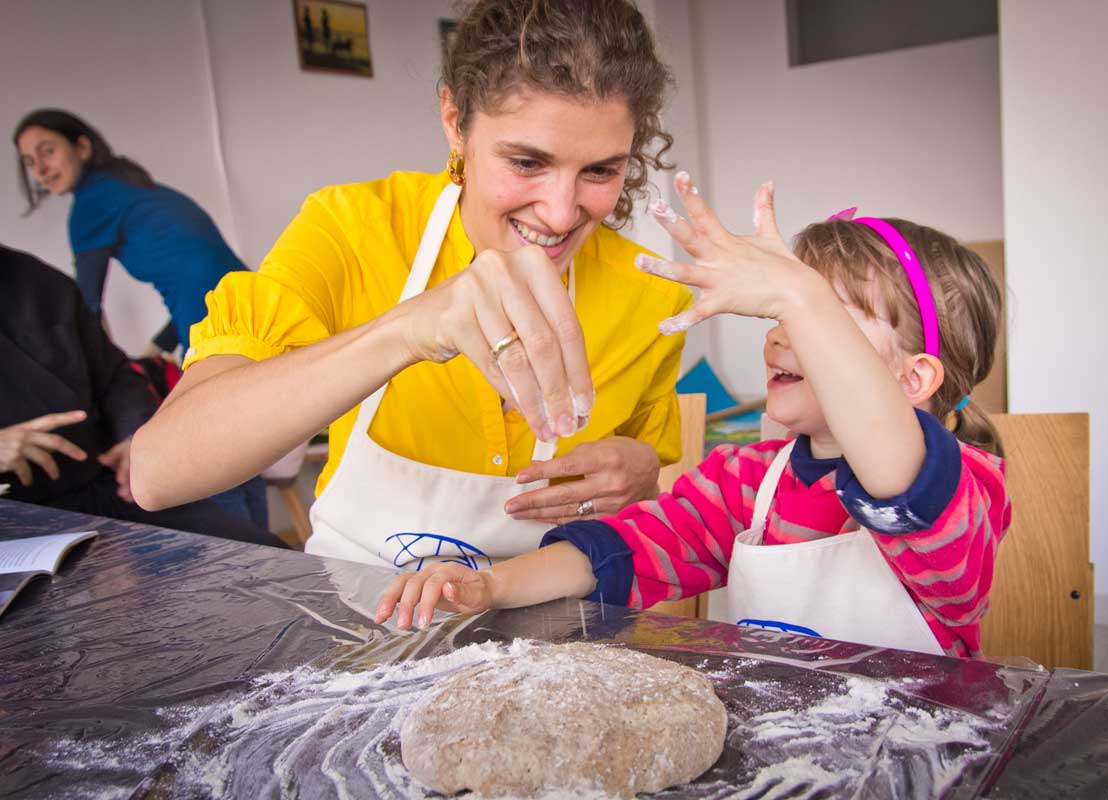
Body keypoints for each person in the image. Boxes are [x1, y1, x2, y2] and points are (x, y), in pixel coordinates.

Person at [130, 0, 693, 571]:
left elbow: (665, 508)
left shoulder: (651, 293)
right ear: (455, 120)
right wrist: (405, 330)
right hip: (353, 620)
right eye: (525, 162)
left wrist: (645, 474)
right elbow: (157, 474)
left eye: (600, 171)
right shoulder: (353, 230)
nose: (559, 213)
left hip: (553, 634)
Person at [374, 172, 1011, 659]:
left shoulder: (966, 489)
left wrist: (798, 290)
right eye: (783, 313)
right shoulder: (746, 480)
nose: (784, 334)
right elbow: (624, 549)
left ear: (914, 379)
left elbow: (899, 476)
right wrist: (490, 586)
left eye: (825, 318)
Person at [12, 109, 269, 527]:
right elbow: (208, 272)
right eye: (29, 161)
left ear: (82, 146)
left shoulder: (90, 206)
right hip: (246, 311)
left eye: (49, 151)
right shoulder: (135, 188)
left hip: (216, 322)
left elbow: (85, 311)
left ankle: (241, 564)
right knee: (245, 449)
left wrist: (106, 382)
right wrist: (160, 345)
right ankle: (262, 552)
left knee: (208, 457)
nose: (41, 168)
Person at [0, 245, 284, 549]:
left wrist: (132, 435)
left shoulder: (35, 280)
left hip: (103, 487)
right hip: (14, 518)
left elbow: (115, 376)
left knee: (261, 554)